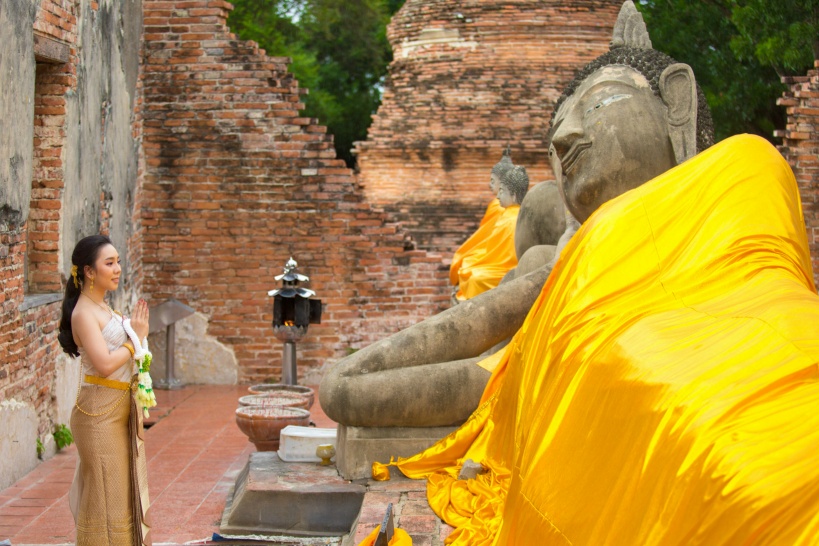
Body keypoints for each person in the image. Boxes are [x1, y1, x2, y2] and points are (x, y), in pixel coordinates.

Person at [374, 2, 819, 544]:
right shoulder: (563, 263)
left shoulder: (743, 164)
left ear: (676, 103)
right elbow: (350, 386)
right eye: (555, 136)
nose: (566, 140)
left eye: (600, 102)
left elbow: (767, 273)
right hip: (656, 390)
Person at [58, 235, 152, 546]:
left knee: (121, 496)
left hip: (117, 411)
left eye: (118, 261)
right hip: (97, 416)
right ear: (88, 271)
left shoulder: (103, 307)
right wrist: (135, 339)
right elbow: (105, 364)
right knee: (104, 499)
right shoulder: (84, 313)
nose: (117, 269)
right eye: (109, 263)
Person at [453, 165, 530, 301]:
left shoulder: (512, 219)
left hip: (508, 268)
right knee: (469, 264)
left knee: (475, 278)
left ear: (514, 195)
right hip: (498, 263)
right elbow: (493, 249)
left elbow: (505, 258)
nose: (498, 196)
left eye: (502, 191)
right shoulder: (507, 215)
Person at [448, 148, 513, 302]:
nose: (489, 186)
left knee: (467, 265)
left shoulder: (501, 207)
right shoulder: (497, 206)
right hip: (495, 253)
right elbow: (487, 237)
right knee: (467, 260)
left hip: (504, 260)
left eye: (493, 181)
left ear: (503, 184)